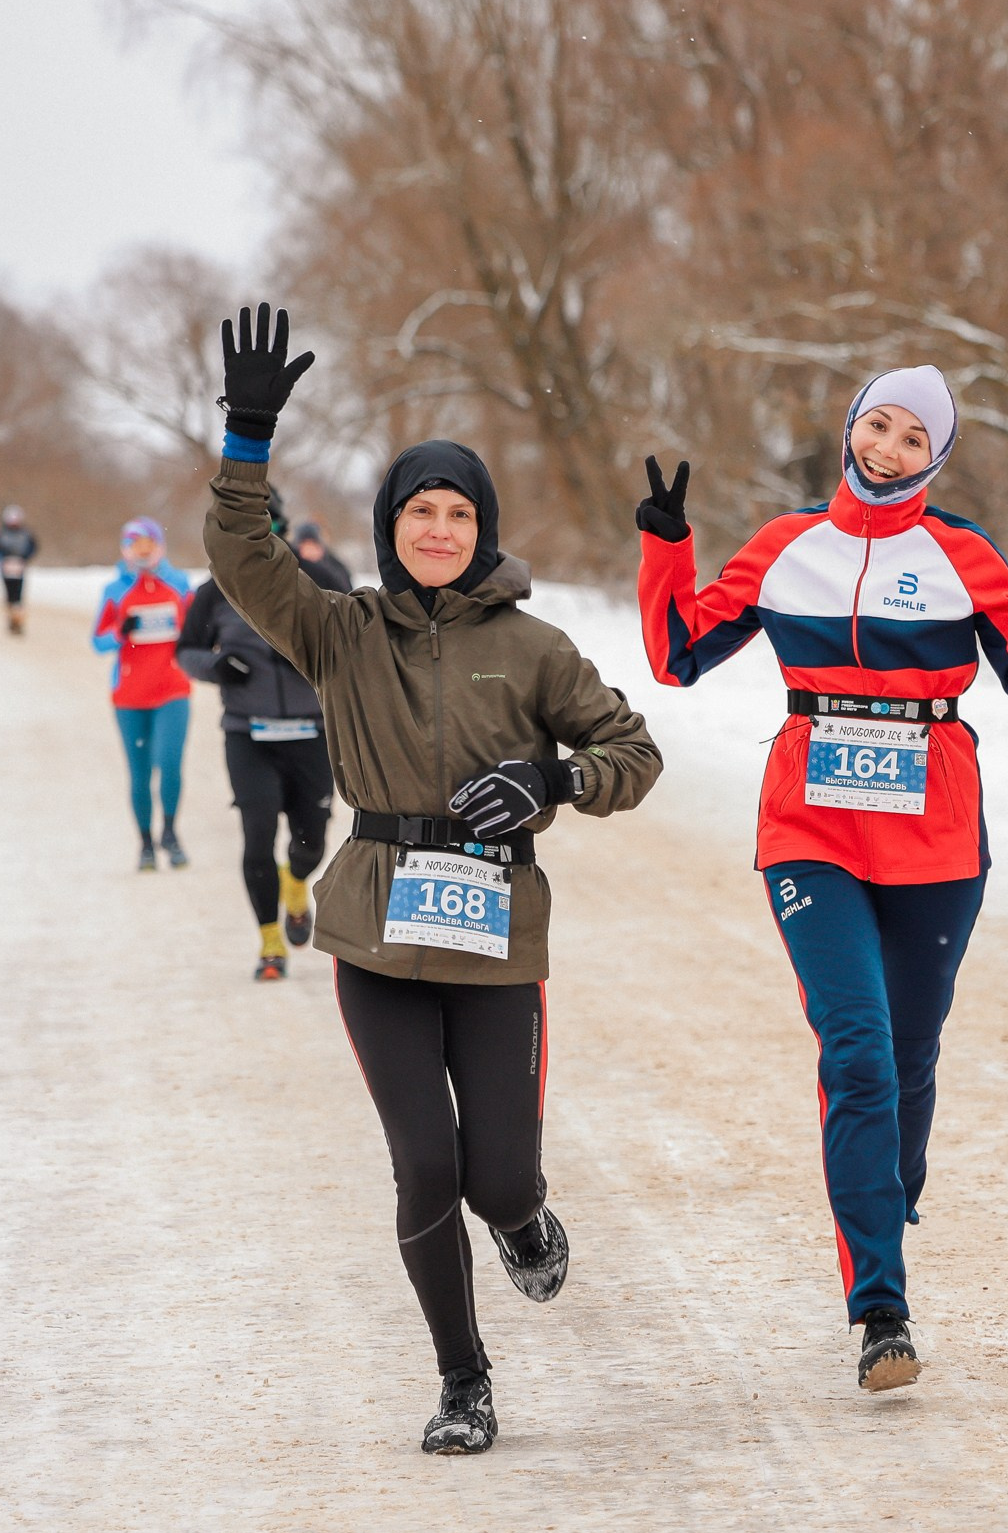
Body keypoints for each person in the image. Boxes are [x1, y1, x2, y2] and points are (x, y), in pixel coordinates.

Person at [205, 304, 660, 1455]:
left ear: (483, 529)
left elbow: (634, 754)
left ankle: (521, 1219)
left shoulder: (537, 647)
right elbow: (241, 559)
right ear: (390, 526)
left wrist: (554, 782)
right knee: (424, 1165)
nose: (441, 529)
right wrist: (248, 441)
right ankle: (464, 1379)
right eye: (421, 511)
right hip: (379, 934)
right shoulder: (338, 631)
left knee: (498, 1175)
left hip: (495, 934)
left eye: (460, 514)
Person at [637, 365, 1008, 1393]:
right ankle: (880, 1306)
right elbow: (676, 652)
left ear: (937, 457)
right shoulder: (786, 543)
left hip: (936, 833)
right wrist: (668, 546)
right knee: (858, 1049)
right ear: (849, 429)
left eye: (912, 439)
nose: (887, 450)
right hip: (813, 828)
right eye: (876, 426)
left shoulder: (962, 553)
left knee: (910, 1055)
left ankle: (884, 1195)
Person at [176, 489, 345, 982]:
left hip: (311, 732)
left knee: (311, 843)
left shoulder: (317, 579)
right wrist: (216, 667)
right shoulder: (213, 591)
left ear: (281, 528)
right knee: (257, 839)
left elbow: (356, 638)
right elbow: (186, 651)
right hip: (247, 735)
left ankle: (296, 885)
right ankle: (271, 945)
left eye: (268, 527)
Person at [92, 518, 195, 871]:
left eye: (148, 544)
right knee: (139, 775)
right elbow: (98, 640)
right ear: (125, 549)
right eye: (136, 545)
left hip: (172, 691)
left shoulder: (179, 584)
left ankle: (170, 831)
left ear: (159, 547)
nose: (143, 551)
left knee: (169, 765)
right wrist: (121, 632)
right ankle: (146, 844)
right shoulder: (116, 590)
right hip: (130, 698)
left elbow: (200, 628)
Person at [0, 505, 40, 636]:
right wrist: (1, 558)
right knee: (9, 596)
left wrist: (25, 558)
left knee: (18, 596)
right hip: (5, 568)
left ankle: (18, 620)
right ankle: (11, 618)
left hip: (19, 568)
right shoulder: (1, 533)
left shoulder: (26, 534)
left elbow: (33, 548)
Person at [291, 518, 353, 589]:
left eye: (313, 544)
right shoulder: (292, 569)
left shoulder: (336, 569)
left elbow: (346, 594)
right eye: (305, 545)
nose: (310, 550)